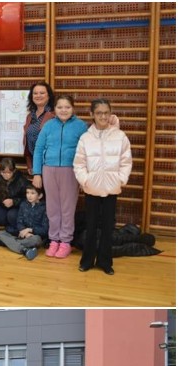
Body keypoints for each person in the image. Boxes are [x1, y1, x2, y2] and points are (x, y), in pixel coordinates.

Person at [73, 98, 133, 275]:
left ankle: (105, 262)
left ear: (110, 113)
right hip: (92, 190)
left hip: (111, 189)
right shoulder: (85, 138)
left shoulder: (120, 136)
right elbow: (79, 164)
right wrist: (86, 181)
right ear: (92, 114)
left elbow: (126, 161)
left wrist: (120, 180)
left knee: (108, 227)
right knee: (91, 226)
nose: (103, 116)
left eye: (106, 112)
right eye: (99, 113)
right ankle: (87, 261)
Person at [32, 94, 86, 259]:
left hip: (71, 170)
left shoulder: (81, 126)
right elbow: (39, 149)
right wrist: (37, 173)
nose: (64, 110)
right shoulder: (48, 126)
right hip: (49, 170)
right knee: (52, 208)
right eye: (60, 107)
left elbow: (87, 152)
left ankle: (65, 242)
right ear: (54, 109)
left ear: (73, 108)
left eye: (67, 107)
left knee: (67, 208)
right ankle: (54, 239)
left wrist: (84, 177)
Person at [0, 184, 48, 260]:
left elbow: (44, 230)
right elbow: (19, 221)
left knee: (36, 240)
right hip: (22, 233)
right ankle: (25, 249)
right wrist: (23, 230)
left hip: (34, 236)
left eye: (32, 193)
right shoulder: (23, 204)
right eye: (27, 193)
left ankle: (6, 243)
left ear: (40, 196)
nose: (29, 196)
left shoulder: (44, 208)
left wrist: (29, 230)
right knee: (1, 233)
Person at [22, 82, 55, 173]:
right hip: (34, 163)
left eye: (42, 93)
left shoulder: (55, 115)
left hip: (50, 164)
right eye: (35, 93)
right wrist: (30, 164)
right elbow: (27, 142)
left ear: (48, 96)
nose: (38, 95)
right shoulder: (30, 116)